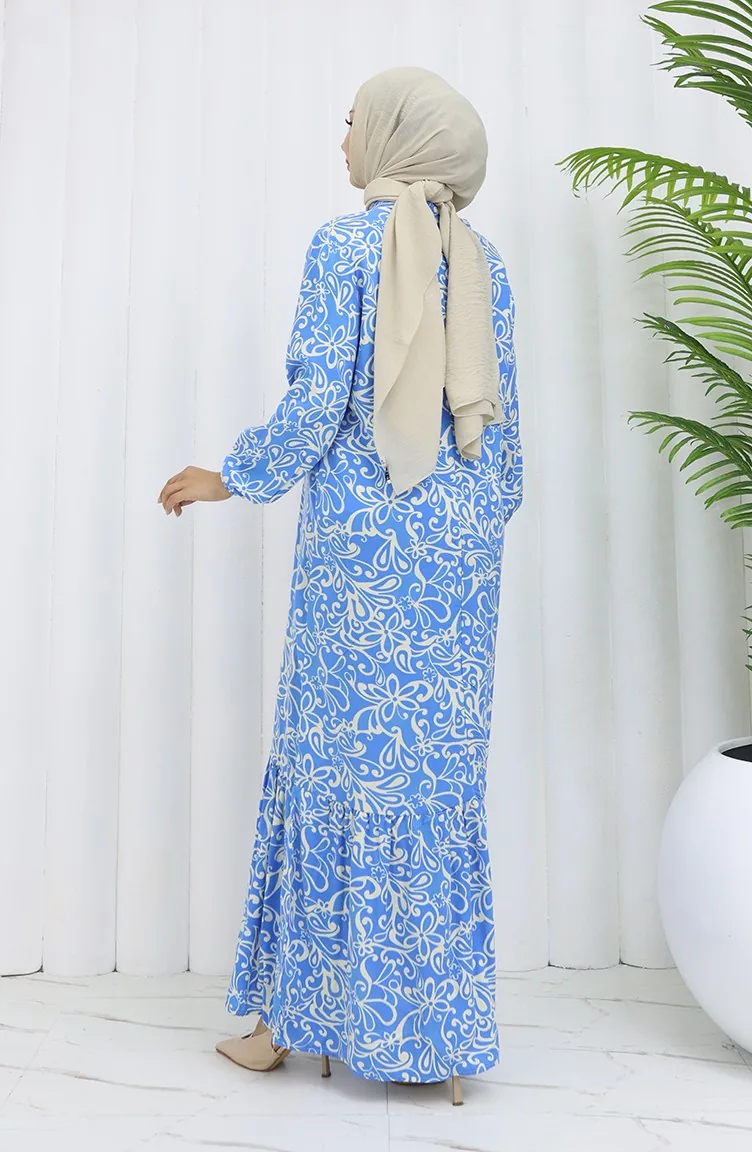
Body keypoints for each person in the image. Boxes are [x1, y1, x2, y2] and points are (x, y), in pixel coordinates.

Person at [158, 66, 522, 1107]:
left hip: (363, 557)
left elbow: (319, 402)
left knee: (334, 770)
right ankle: (436, 1041)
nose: (344, 138)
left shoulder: (343, 247)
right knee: (431, 785)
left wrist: (232, 475)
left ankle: (287, 1024)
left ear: (399, 135)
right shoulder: (484, 263)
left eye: (355, 121)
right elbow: (503, 429)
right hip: (460, 560)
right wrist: (477, 524)